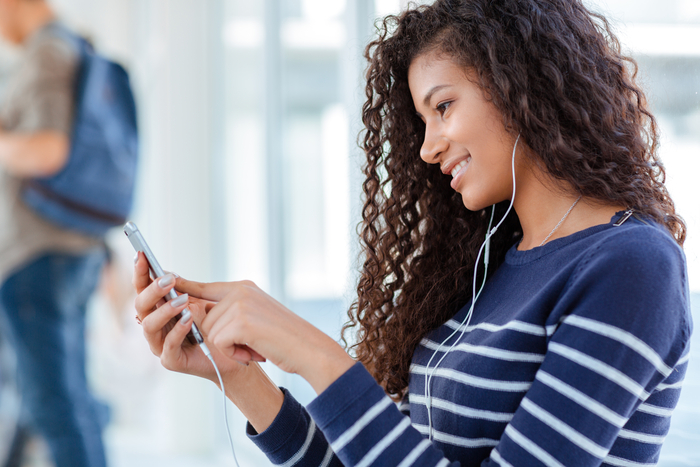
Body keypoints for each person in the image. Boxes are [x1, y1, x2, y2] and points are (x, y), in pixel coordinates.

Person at [134, 0, 692, 465]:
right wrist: (237, 378)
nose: (428, 148)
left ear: (520, 86)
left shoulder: (632, 264)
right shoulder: (492, 262)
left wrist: (312, 353)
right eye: (423, 121)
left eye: (443, 106)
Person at [0, 1, 108, 466]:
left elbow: (49, 150)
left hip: (37, 255)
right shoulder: (69, 46)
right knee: (71, 401)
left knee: (53, 407)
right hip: (70, 249)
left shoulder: (47, 51)